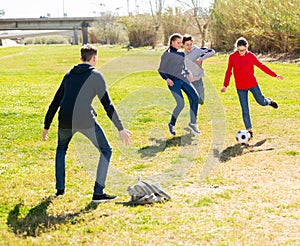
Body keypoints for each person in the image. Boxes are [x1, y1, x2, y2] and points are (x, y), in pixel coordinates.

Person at [42, 44, 132, 203]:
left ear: (81, 58)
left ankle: (60, 190)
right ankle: (98, 193)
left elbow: (56, 101)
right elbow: (107, 104)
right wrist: (121, 128)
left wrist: (46, 125)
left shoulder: (69, 75)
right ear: (95, 58)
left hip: (64, 119)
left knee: (61, 149)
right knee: (106, 150)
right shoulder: (96, 76)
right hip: (84, 120)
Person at [220, 37, 284, 137]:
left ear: (247, 48)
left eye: (243, 50)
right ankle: (249, 130)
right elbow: (229, 72)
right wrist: (225, 85)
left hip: (252, 84)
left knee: (261, 102)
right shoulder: (232, 57)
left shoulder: (251, 56)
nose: (241, 52)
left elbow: (261, 66)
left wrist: (275, 75)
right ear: (236, 48)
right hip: (240, 88)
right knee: (245, 109)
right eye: (239, 50)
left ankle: (269, 102)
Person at [158, 33, 200, 136]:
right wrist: (167, 79)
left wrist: (187, 72)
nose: (180, 44)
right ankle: (172, 124)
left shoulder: (181, 54)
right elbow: (161, 70)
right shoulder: (166, 54)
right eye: (178, 42)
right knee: (181, 104)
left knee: (196, 98)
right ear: (172, 42)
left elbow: (182, 67)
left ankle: (193, 123)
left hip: (183, 79)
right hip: (173, 82)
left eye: (181, 43)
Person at [182, 34, 215, 105]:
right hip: (189, 82)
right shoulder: (181, 55)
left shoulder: (197, 50)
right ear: (183, 45)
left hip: (198, 80)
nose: (189, 46)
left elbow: (212, 51)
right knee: (194, 102)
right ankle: (193, 115)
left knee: (201, 101)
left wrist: (200, 58)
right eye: (187, 45)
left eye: (190, 44)